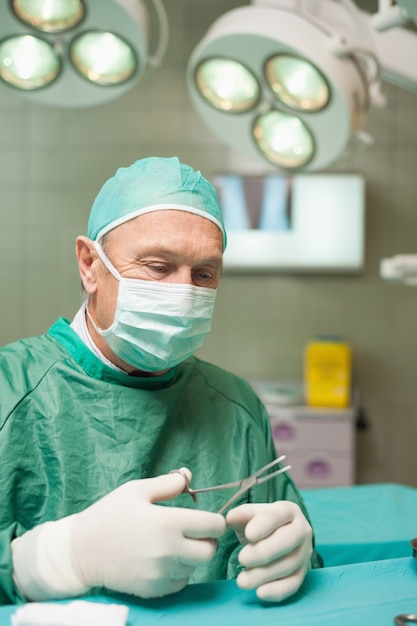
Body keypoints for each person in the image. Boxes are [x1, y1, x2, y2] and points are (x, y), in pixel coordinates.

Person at [0, 156, 322, 607]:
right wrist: (53, 560)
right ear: (90, 265)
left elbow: (283, 570)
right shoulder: (10, 393)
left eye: (204, 274)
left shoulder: (234, 405)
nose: (183, 292)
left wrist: (296, 558)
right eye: (158, 266)